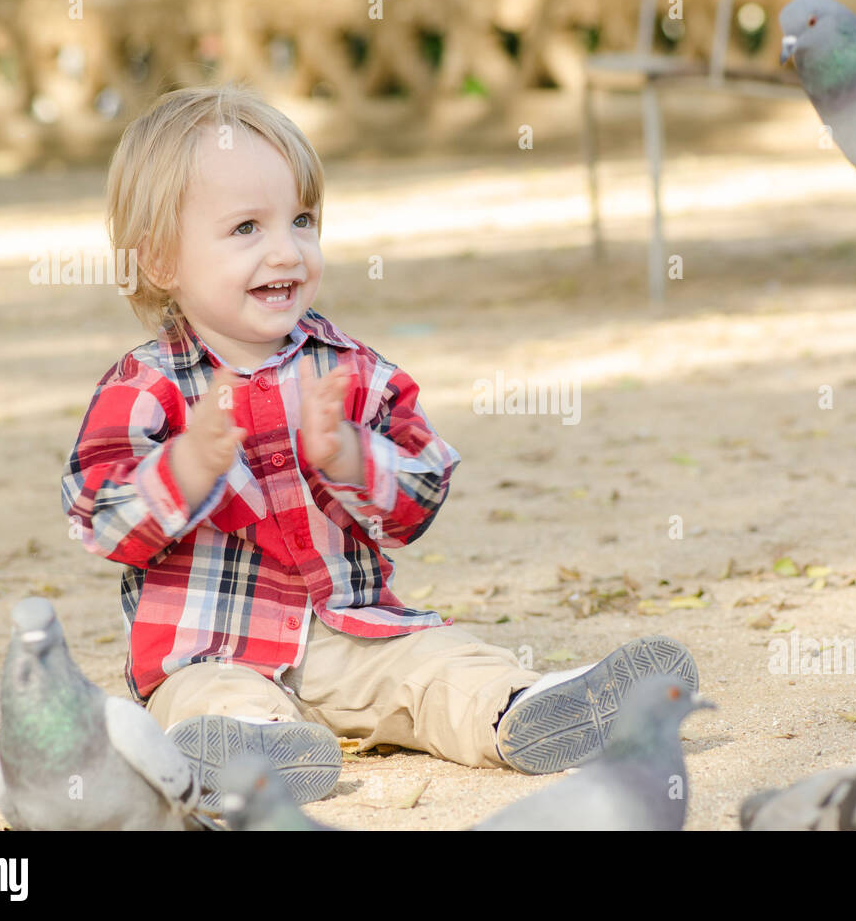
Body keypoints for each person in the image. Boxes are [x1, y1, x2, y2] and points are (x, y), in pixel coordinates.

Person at [61, 84, 698, 807]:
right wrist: (186, 465)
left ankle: (531, 707)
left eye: (302, 220)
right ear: (161, 262)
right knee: (207, 701)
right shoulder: (146, 388)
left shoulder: (348, 369)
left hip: (353, 630)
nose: (287, 249)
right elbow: (98, 518)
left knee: (433, 663)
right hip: (209, 646)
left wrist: (352, 457)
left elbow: (420, 491)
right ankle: (248, 750)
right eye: (246, 228)